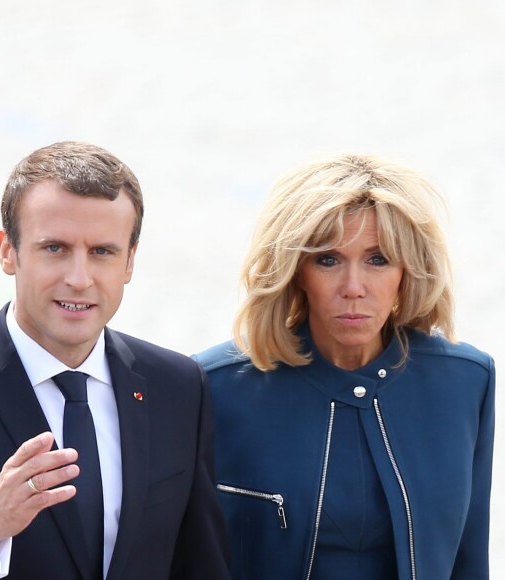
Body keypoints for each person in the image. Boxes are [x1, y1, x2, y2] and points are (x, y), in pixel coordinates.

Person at [0, 141, 230, 580]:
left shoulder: (179, 387)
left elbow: (200, 563)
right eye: (55, 248)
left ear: (130, 261)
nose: (79, 278)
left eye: (102, 252)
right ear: (7, 251)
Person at [195, 154, 495, 580]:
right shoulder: (213, 387)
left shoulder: (466, 382)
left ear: (407, 271)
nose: (354, 289)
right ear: (297, 271)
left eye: (378, 260)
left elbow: (469, 561)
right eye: (328, 260)